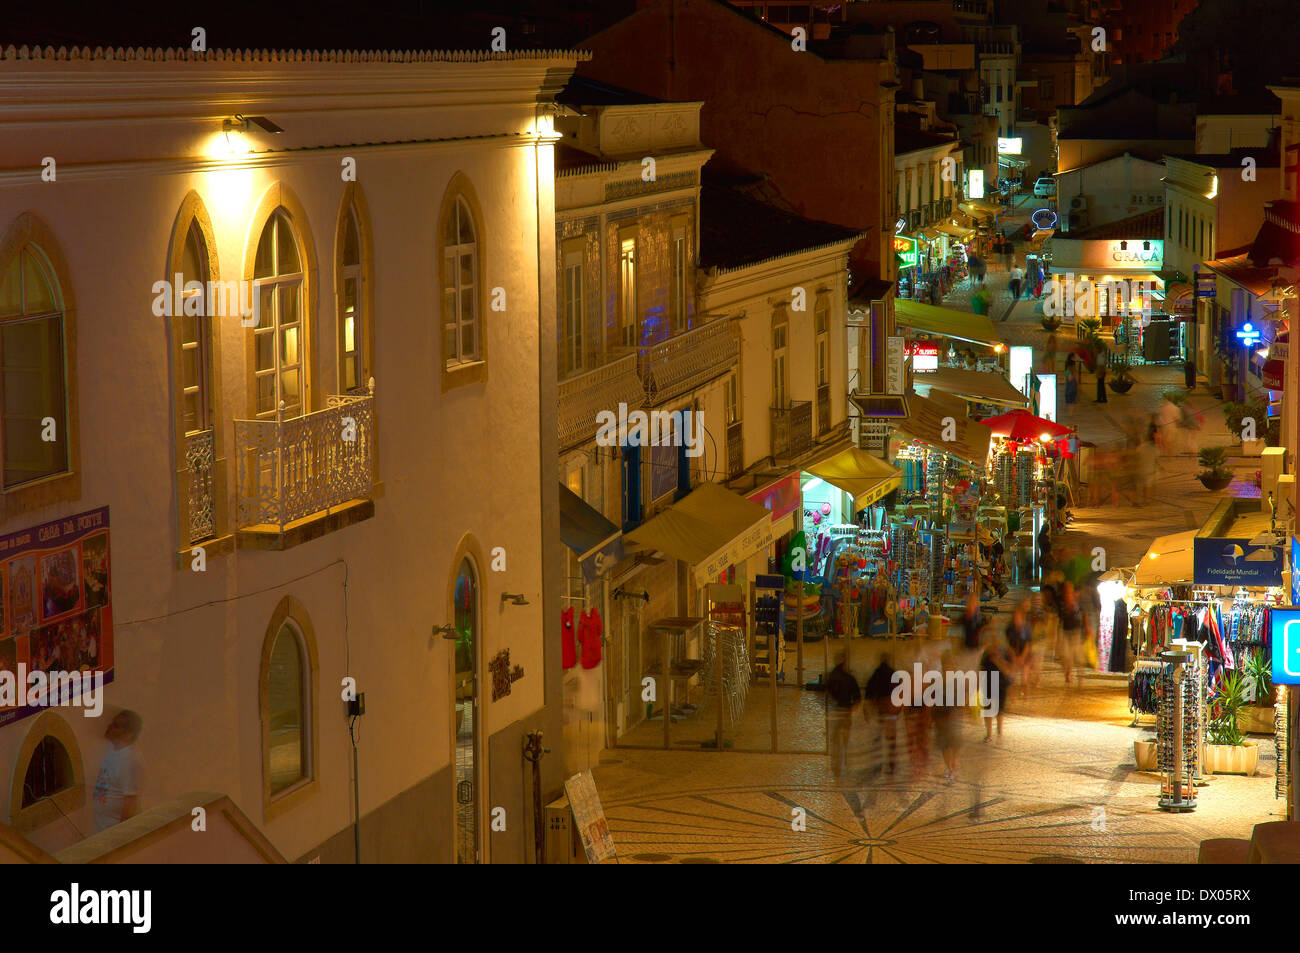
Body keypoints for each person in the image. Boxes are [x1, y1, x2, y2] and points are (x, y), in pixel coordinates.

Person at [93, 709, 144, 833]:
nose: (110, 727)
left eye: (116, 726)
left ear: (128, 734)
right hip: (102, 830)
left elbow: (130, 805)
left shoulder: (129, 760)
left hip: (113, 835)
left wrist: (118, 838)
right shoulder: (114, 748)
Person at [826, 653, 861, 782]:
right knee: (846, 740)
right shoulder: (849, 678)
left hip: (836, 711)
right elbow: (857, 697)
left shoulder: (832, 676)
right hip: (846, 711)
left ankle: (836, 768)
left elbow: (828, 691)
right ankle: (847, 765)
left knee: (836, 742)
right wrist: (852, 708)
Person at [864, 658, 900, 776]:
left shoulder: (876, 675)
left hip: (880, 714)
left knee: (878, 741)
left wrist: (867, 713)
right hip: (891, 715)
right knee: (891, 743)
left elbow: (869, 694)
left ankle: (878, 767)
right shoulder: (894, 675)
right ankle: (892, 766)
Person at [980, 631, 1013, 741]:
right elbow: (982, 670)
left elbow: (1007, 671)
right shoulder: (986, 656)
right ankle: (988, 734)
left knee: (1000, 710)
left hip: (1001, 685)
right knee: (988, 710)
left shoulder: (1005, 654)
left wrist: (998, 661)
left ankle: (999, 732)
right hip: (988, 684)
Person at [1058, 581, 1086, 686]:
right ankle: (1068, 675)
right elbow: (1061, 618)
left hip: (1076, 631)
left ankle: (1080, 679)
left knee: (1078, 657)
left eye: (1069, 590)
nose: (1067, 593)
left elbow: (1084, 614)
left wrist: (1087, 628)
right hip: (1066, 631)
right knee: (1067, 656)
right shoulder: (1062, 602)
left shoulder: (1077, 601)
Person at [1006, 598, 1034, 699]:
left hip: (1025, 655)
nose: (1016, 619)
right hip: (1015, 654)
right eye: (1015, 617)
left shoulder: (1026, 628)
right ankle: (1011, 695)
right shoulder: (1010, 628)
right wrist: (1014, 656)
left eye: (1018, 617)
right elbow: (1009, 644)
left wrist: (1022, 657)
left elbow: (1028, 644)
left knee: (1024, 678)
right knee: (1011, 677)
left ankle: (1025, 695)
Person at [1136, 419, 1158, 504]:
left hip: (1141, 469)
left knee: (1141, 485)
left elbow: (1137, 457)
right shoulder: (1153, 448)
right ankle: (1147, 499)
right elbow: (1156, 459)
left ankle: (1140, 499)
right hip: (1150, 469)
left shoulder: (1140, 447)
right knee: (1147, 485)